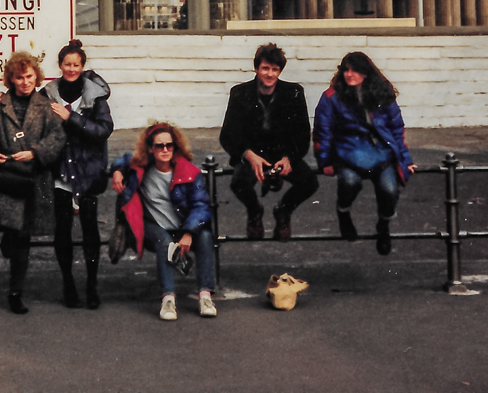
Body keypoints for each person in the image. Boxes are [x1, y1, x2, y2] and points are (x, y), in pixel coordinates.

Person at [0, 50, 66, 314]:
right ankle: (8, 241)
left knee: (23, 236)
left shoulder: (45, 107)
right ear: (10, 79)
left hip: (34, 181)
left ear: (35, 77)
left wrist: (36, 152)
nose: (25, 82)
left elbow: (57, 138)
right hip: (6, 179)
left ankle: (16, 292)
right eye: (19, 77)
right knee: (12, 231)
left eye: (29, 76)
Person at [110, 122, 217, 321]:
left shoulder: (189, 171)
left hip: (184, 227)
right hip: (153, 228)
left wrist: (188, 233)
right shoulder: (140, 166)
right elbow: (121, 160)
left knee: (205, 236)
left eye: (170, 145)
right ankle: (168, 298)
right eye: (159, 146)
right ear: (150, 148)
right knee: (164, 241)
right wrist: (117, 171)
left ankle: (205, 296)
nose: (165, 150)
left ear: (176, 147)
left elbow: (201, 206)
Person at [313, 51, 416, 256]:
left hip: (381, 152)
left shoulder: (382, 93)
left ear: (366, 73)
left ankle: (383, 226)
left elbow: (396, 130)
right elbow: (322, 132)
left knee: (389, 190)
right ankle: (343, 213)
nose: (350, 74)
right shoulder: (331, 97)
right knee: (349, 183)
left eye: (355, 70)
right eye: (346, 70)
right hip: (347, 153)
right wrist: (325, 162)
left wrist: (405, 160)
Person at [219, 42, 318, 241]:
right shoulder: (239, 93)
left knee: (309, 182)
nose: (270, 74)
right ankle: (255, 211)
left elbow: (302, 132)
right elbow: (228, 134)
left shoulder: (294, 92)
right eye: (265, 68)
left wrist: (289, 158)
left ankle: (283, 211)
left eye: (275, 69)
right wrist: (247, 155)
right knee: (238, 182)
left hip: (282, 153)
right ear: (256, 68)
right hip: (252, 153)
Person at [44, 39, 114, 309]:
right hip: (61, 170)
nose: (71, 69)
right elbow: (25, 107)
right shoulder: (48, 92)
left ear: (83, 66)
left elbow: (103, 130)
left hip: (88, 170)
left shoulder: (95, 95)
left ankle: (92, 285)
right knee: (62, 230)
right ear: (60, 65)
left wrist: (69, 117)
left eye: (76, 64)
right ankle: (68, 283)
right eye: (67, 64)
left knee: (90, 230)